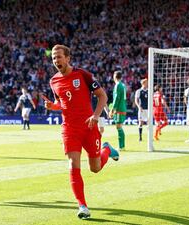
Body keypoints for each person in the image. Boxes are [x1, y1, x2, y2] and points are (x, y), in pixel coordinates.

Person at [43, 44, 119, 219]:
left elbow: (103, 96)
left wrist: (95, 116)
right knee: (72, 165)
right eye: (54, 58)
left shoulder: (83, 75)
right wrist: (52, 106)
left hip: (89, 126)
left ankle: (107, 149)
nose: (56, 60)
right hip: (69, 129)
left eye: (59, 57)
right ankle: (82, 206)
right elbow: (62, 103)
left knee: (95, 168)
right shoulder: (53, 81)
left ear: (68, 58)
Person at [108, 71, 127, 151]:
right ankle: (122, 146)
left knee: (118, 126)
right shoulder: (123, 85)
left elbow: (116, 98)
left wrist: (112, 109)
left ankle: (121, 146)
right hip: (122, 107)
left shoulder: (118, 85)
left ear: (114, 76)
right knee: (119, 126)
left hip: (119, 109)